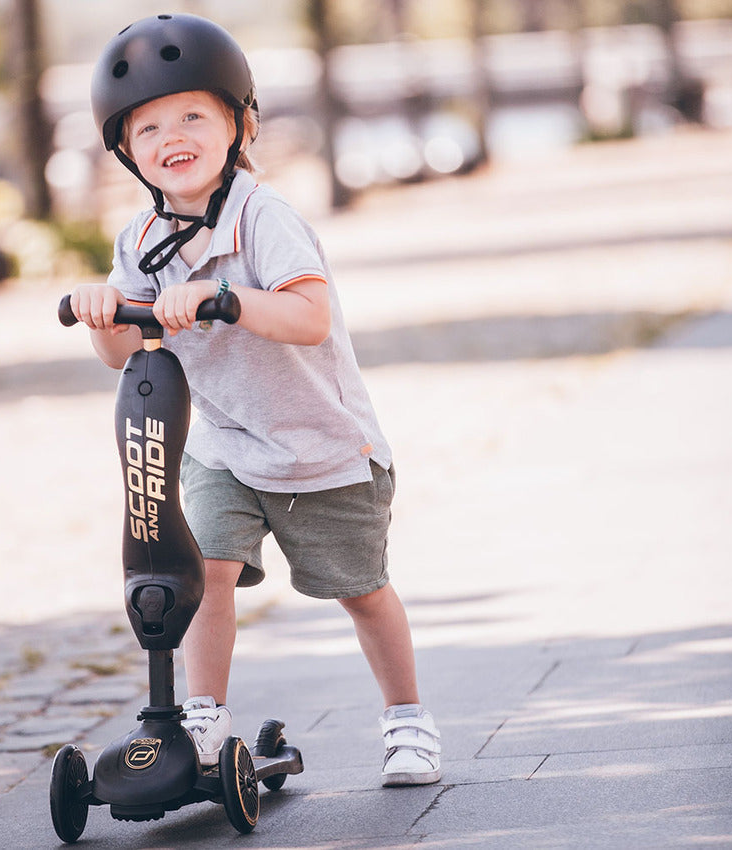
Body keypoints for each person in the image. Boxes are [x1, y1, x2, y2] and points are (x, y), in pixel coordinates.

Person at [70, 13, 441, 787]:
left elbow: (309, 319)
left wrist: (226, 300)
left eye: (193, 115)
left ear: (238, 124)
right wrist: (105, 308)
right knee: (203, 574)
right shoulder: (142, 238)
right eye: (147, 127)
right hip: (226, 447)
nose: (172, 135)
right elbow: (120, 353)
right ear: (126, 150)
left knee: (362, 592)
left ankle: (407, 719)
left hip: (322, 449)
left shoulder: (262, 217)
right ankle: (202, 716)